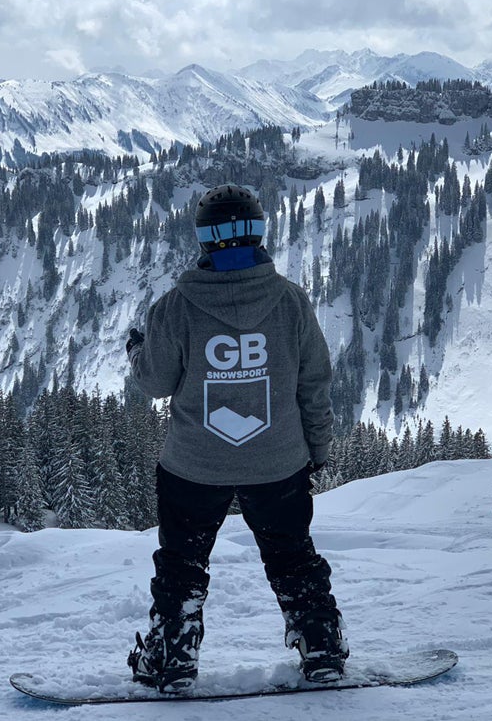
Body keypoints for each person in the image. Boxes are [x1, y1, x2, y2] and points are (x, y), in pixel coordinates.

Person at [124, 184, 347, 693]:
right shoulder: (289, 301)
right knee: (292, 556)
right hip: (276, 459)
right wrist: (318, 448)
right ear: (259, 232)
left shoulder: (178, 307)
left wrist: (137, 351)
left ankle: (172, 658)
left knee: (182, 561)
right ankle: (321, 648)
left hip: (195, 463)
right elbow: (314, 381)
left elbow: (156, 383)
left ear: (204, 239)